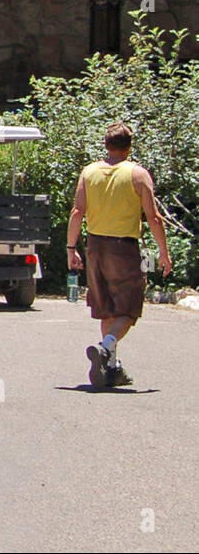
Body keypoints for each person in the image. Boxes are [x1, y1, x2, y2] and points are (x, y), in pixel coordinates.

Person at [67, 122, 171, 388]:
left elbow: (77, 211)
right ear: (130, 146)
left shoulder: (89, 172)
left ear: (105, 144)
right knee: (129, 306)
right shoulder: (137, 174)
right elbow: (153, 217)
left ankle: (111, 367)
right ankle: (106, 348)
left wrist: (71, 248)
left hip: (96, 247)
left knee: (106, 308)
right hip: (124, 247)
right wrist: (163, 252)